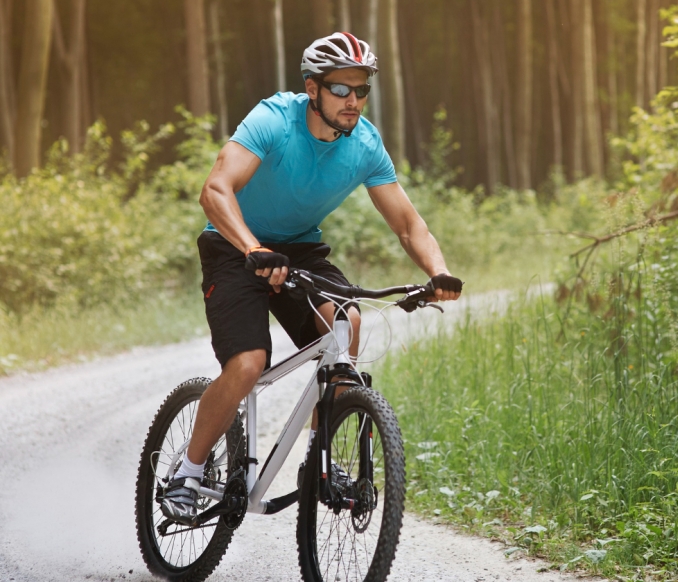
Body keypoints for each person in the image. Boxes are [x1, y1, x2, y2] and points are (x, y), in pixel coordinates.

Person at [160, 32, 463, 525]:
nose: (353, 101)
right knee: (248, 364)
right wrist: (253, 248)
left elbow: (408, 224)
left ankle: (319, 463)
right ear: (313, 88)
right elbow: (215, 190)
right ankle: (188, 473)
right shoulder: (274, 120)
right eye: (341, 89)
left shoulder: (364, 144)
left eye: (361, 90)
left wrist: (438, 271)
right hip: (234, 245)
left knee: (346, 323)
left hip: (299, 249)